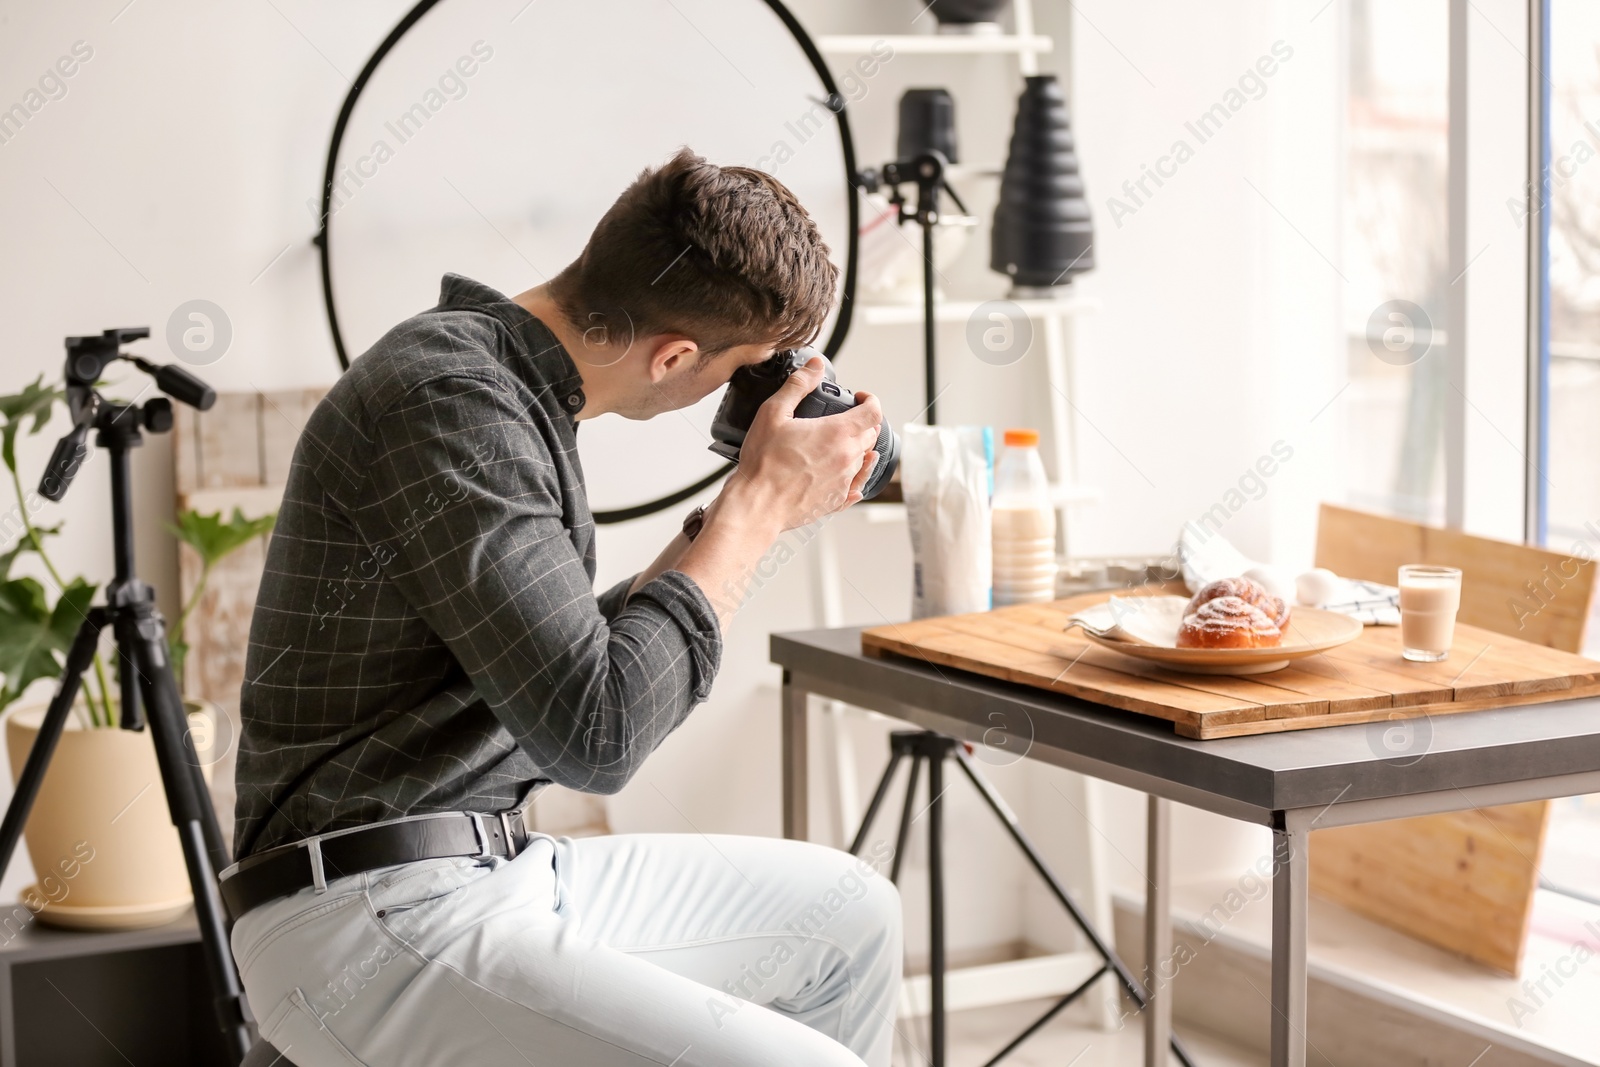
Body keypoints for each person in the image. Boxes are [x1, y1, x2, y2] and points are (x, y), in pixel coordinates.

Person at [222, 149, 902, 1066]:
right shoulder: (449, 402)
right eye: (743, 370)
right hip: (360, 914)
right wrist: (759, 508)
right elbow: (598, 732)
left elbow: (574, 665)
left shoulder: (504, 392)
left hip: (493, 873)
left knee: (851, 916)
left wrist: (749, 502)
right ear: (675, 356)